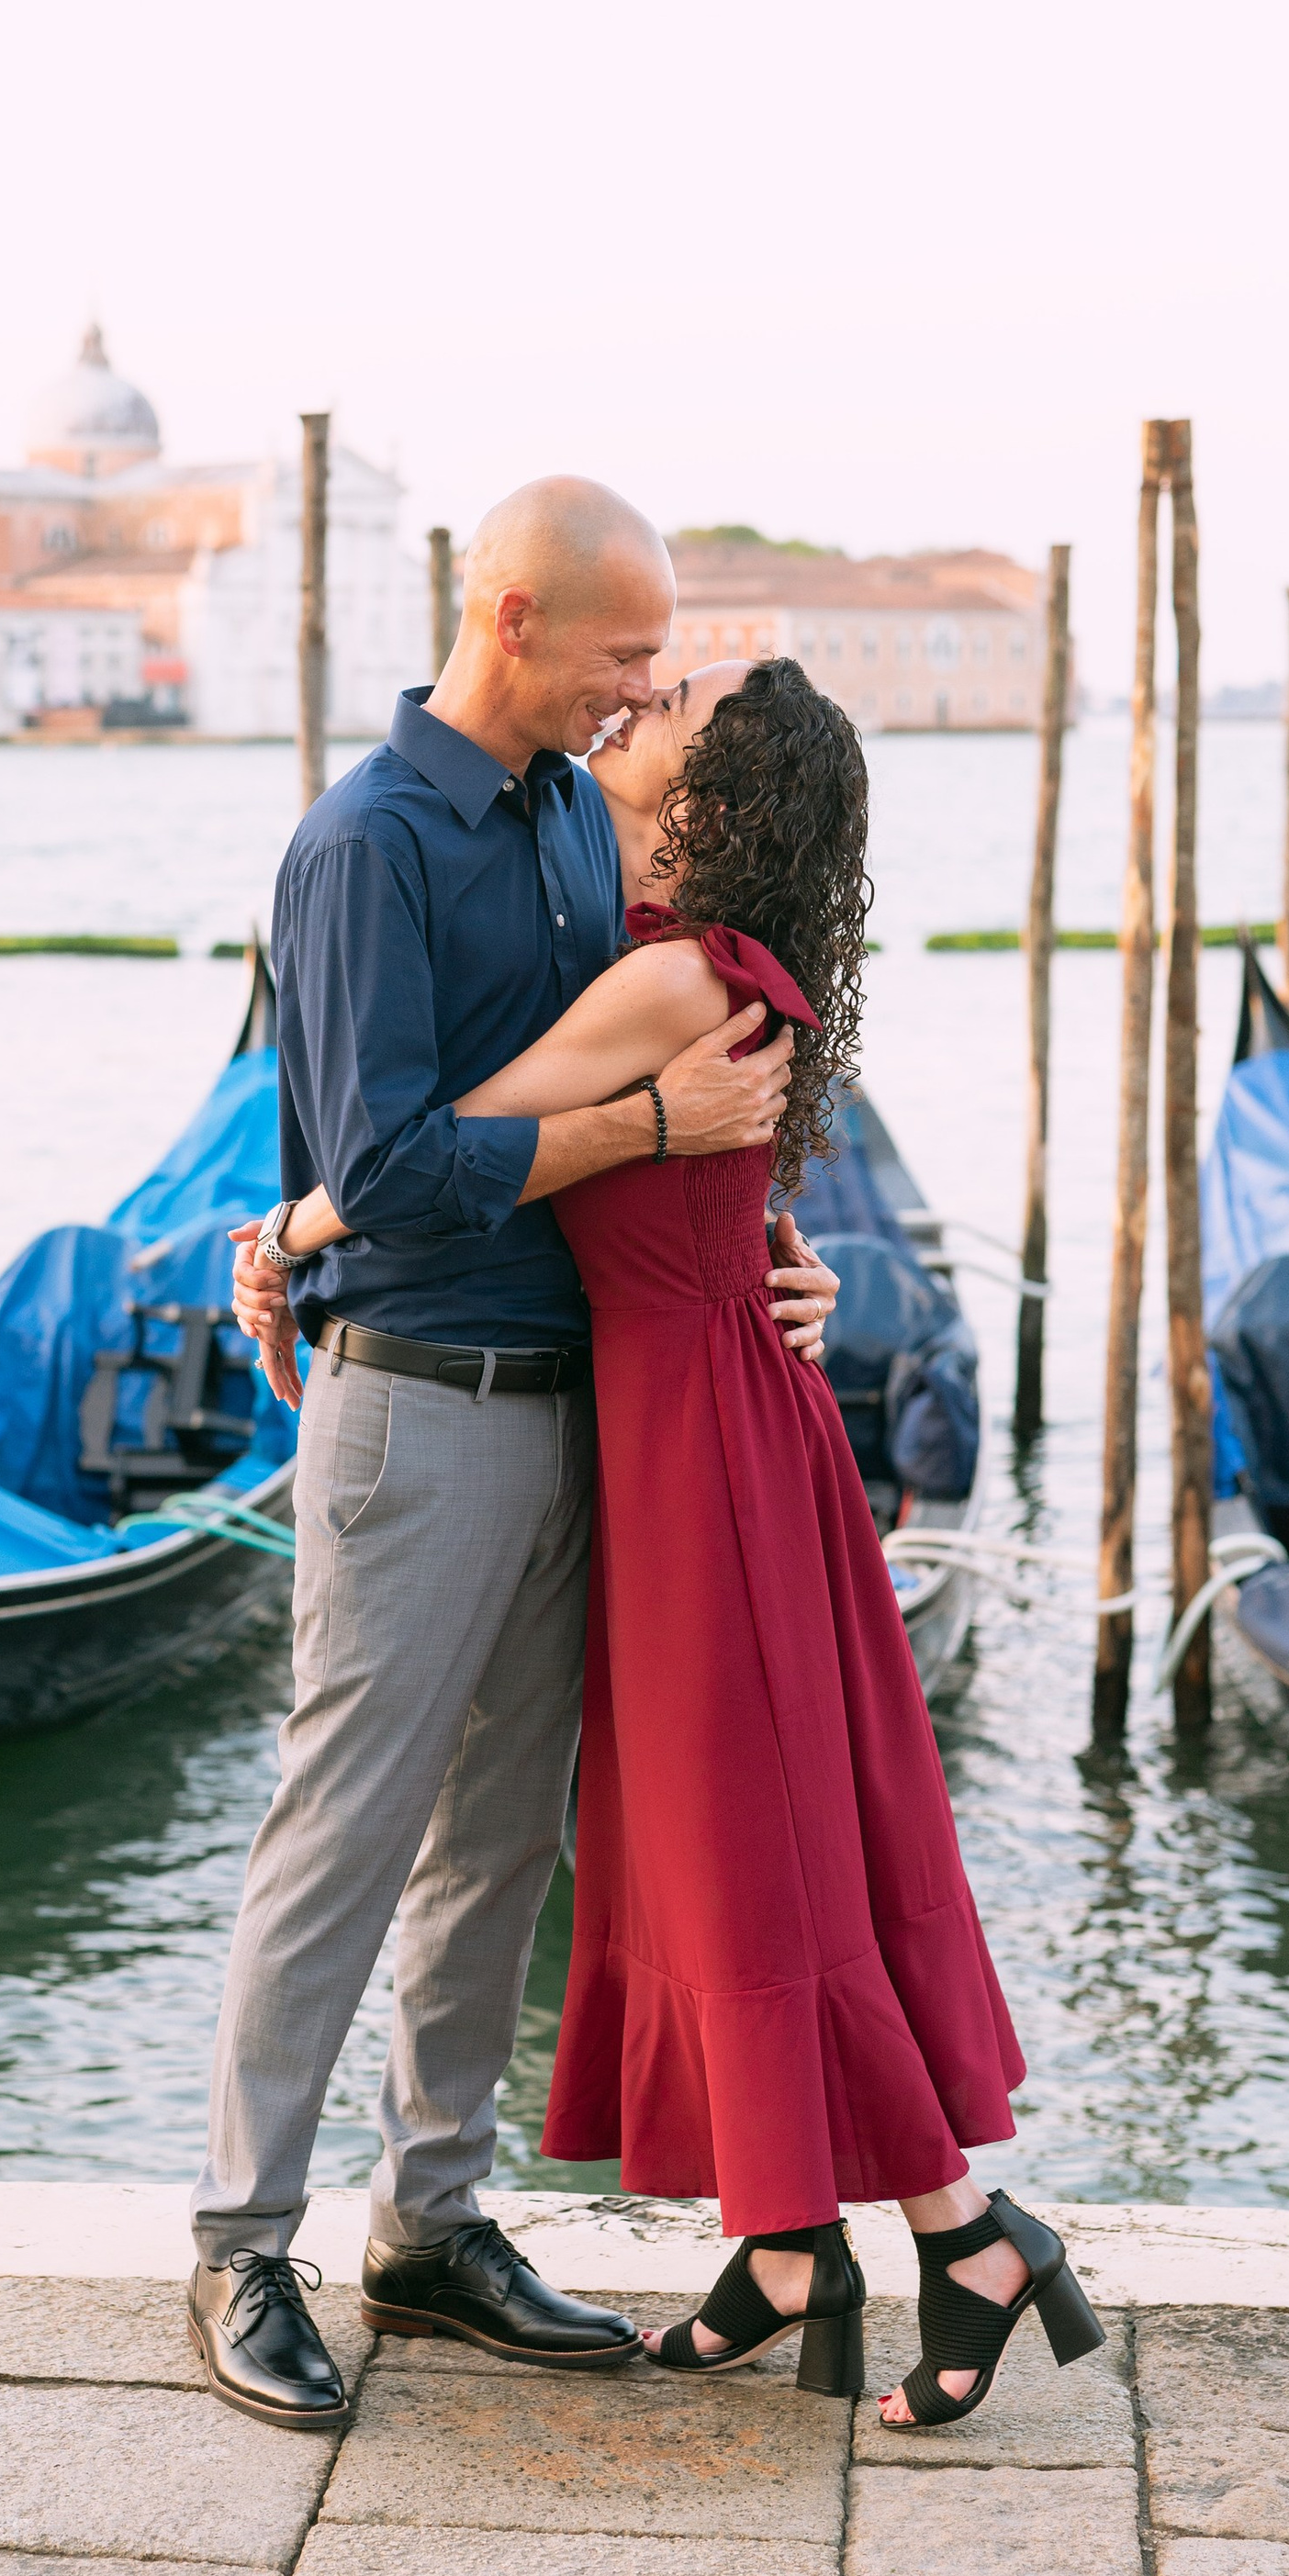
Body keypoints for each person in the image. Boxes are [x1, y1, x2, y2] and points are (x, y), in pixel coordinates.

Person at [257, 648, 1105, 2429]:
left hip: (693, 1446)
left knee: (746, 1857)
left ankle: (962, 2227)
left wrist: (288, 1227)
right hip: (680, 1423)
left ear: (712, 805)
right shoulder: (668, 938)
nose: (630, 711)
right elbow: (697, 1188)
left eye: (673, 708)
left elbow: (445, 1139)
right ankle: (790, 2243)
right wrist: (772, 1260)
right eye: (633, 683)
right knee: (699, 1847)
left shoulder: (663, 976)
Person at [185, 476, 841, 2431]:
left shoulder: (573, 813)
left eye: (657, 659)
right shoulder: (356, 847)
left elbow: (657, 1069)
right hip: (417, 1405)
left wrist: (766, 1254)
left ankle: (429, 2221)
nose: (643, 691)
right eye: (622, 652)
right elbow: (382, 1162)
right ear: (507, 615)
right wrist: (648, 1139)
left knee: (496, 1846)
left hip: (583, 1405)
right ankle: (238, 2241)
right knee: (345, 1826)